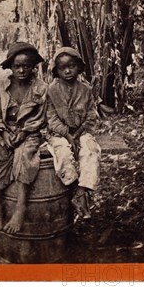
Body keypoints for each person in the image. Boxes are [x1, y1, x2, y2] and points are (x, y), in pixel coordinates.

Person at [0, 42, 48, 234]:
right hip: (3, 129)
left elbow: (41, 116)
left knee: (25, 155)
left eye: (26, 66)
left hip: (29, 132)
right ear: (10, 66)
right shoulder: (1, 86)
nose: (21, 70)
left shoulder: (41, 88)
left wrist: (25, 132)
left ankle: (20, 208)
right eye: (17, 66)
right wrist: (2, 132)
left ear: (34, 66)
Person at [46, 47, 101, 219]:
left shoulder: (85, 89)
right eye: (63, 68)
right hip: (59, 134)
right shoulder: (52, 90)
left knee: (91, 150)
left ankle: (82, 191)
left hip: (81, 131)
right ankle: (72, 187)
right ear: (57, 70)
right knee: (62, 153)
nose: (68, 70)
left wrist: (78, 134)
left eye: (72, 66)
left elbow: (92, 113)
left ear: (79, 67)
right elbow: (51, 118)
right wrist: (67, 135)